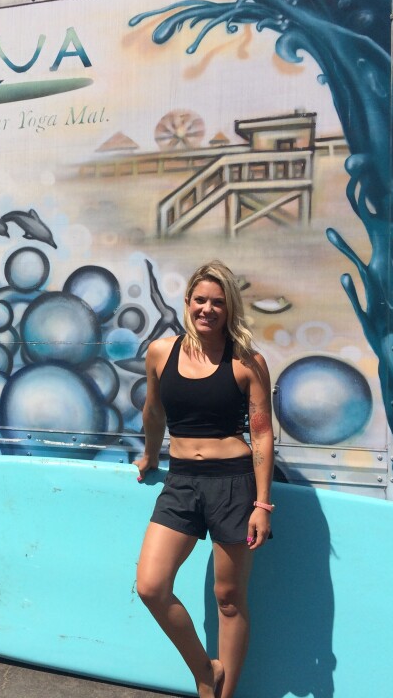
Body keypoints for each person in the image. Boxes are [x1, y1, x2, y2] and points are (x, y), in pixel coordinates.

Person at [134, 260, 274, 698]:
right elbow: (154, 411)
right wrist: (148, 455)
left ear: (229, 308)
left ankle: (221, 695)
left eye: (217, 302)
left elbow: (263, 432)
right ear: (188, 302)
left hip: (233, 484)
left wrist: (262, 504)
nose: (207, 309)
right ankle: (205, 670)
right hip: (181, 481)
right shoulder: (161, 352)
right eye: (200, 300)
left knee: (229, 599)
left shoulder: (248, 362)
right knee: (151, 586)